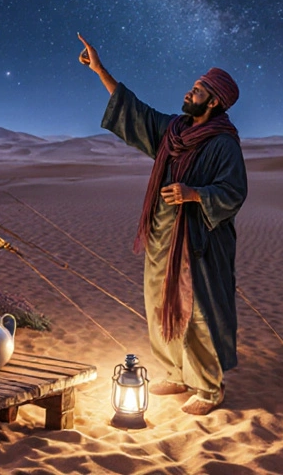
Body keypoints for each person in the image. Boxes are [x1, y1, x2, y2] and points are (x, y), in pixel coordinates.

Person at [76, 33, 247, 416]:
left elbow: (234, 191)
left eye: (197, 91)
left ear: (214, 101)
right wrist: (100, 70)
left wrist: (194, 194)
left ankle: (208, 386)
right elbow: (134, 111)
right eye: (191, 88)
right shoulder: (173, 132)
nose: (189, 93)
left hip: (200, 243)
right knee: (160, 305)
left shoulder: (223, 144)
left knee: (198, 311)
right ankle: (176, 371)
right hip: (162, 238)